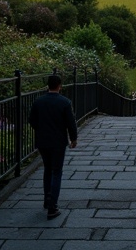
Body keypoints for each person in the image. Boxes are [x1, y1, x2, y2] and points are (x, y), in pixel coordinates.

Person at [28, 74, 78, 220]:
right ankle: (52, 207)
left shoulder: (39, 101)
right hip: (58, 141)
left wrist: (41, 129)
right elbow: (71, 122)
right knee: (57, 172)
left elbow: (32, 120)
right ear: (59, 86)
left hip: (42, 141)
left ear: (47, 86)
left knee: (47, 170)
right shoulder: (65, 102)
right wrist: (73, 138)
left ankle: (47, 200)